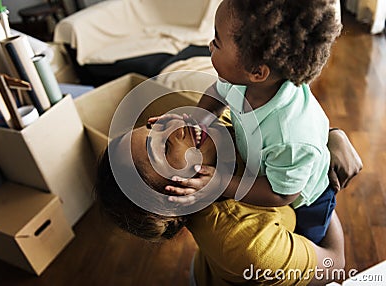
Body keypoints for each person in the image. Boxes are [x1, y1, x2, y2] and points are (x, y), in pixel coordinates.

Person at [150, 0, 344, 244]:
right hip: (270, 164)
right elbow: (218, 92)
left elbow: (281, 193)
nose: (209, 45)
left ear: (257, 72)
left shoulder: (289, 136)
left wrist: (223, 184)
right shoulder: (241, 80)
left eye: (217, 42)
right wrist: (198, 119)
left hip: (306, 199)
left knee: (303, 239)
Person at [94, 116, 362, 285]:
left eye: (156, 125)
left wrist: (331, 134)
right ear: (175, 202)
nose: (177, 125)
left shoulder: (214, 131)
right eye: (163, 149)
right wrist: (320, 184)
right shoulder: (248, 246)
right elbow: (334, 264)